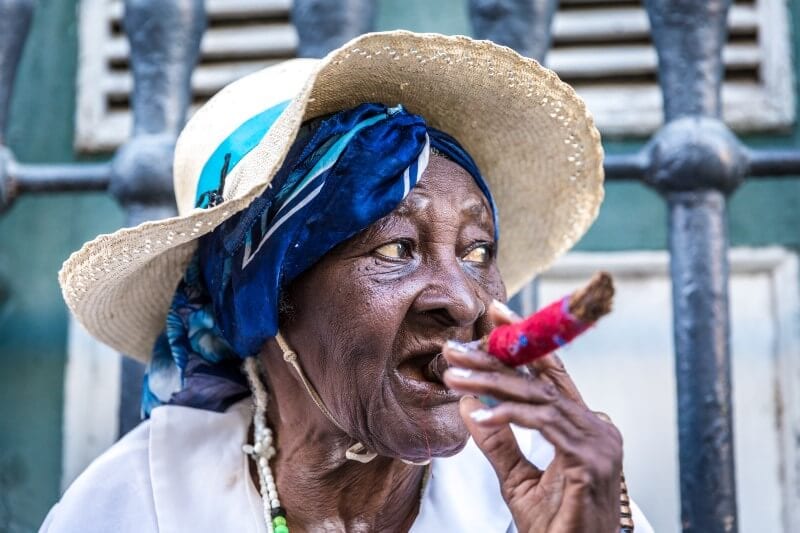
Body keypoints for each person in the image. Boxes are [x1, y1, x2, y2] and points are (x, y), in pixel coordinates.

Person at [45, 31, 653, 532]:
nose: (464, 300)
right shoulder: (128, 508)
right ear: (268, 301)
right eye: (396, 247)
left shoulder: (553, 492)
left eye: (477, 251)